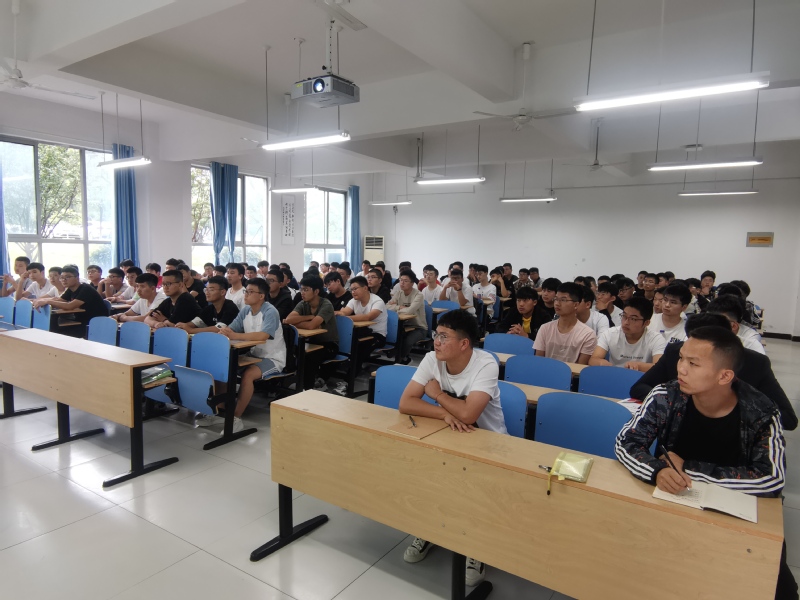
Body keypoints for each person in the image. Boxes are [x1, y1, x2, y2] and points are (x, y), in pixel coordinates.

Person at [615, 326, 797, 599]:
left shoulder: (761, 411)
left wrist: (688, 468)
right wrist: (658, 470)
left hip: (735, 509)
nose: (681, 369)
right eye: (681, 358)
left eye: (693, 363)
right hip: (676, 500)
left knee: (775, 587)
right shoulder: (666, 395)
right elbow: (626, 442)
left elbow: (771, 478)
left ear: (725, 376)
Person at [398, 309, 506, 587]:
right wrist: (445, 414)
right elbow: (406, 403)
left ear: (464, 343)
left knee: (473, 493)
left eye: (444, 337)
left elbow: (469, 415)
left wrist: (436, 394)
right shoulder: (432, 359)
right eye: (436, 334)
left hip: (489, 443)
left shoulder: (485, 364)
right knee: (428, 478)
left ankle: (475, 547)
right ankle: (429, 530)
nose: (436, 341)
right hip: (449, 435)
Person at [197, 278, 285, 433]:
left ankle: (235, 418)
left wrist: (234, 335)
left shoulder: (270, 311)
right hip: (253, 354)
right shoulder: (246, 310)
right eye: (246, 291)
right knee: (222, 369)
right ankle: (219, 412)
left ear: (261, 296)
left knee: (248, 375)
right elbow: (231, 329)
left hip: (272, 357)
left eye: (250, 292)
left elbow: (263, 335)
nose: (246, 295)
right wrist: (225, 332)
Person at [285, 275, 339, 390]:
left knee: (309, 357)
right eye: (301, 289)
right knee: (292, 352)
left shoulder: (326, 304)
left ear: (316, 291)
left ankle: (307, 388)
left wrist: (299, 322)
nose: (302, 293)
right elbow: (288, 320)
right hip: (311, 343)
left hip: (329, 345)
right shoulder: (303, 303)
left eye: (306, 290)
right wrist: (309, 317)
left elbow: (311, 326)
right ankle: (299, 384)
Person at [590, 297, 665, 371]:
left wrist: (638, 366)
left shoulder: (656, 339)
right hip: (614, 374)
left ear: (646, 323)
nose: (626, 322)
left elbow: (659, 368)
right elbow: (593, 359)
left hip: (641, 377)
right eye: (624, 316)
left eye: (633, 319)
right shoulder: (610, 333)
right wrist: (601, 363)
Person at [533, 282, 596, 364]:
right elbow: (538, 361)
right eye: (556, 299)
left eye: (563, 300)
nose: (557, 303)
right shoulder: (545, 328)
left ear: (576, 305)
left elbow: (581, 367)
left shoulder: (587, 334)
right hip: (546, 371)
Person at [32, 265, 109, 333]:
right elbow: (60, 300)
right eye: (62, 277)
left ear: (77, 278)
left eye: (67, 277)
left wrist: (48, 301)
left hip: (94, 323)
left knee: (56, 330)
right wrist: (41, 301)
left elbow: (70, 306)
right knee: (53, 323)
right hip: (81, 320)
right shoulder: (70, 288)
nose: (64, 280)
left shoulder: (85, 289)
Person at [387, 269, 427, 363]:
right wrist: (399, 307)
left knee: (407, 341)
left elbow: (409, 311)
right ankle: (399, 356)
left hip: (419, 328)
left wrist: (395, 308)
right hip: (404, 326)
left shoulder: (418, 295)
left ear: (412, 283)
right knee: (393, 336)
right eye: (401, 280)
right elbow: (386, 307)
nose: (402, 283)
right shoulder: (399, 293)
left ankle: (402, 359)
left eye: (405, 281)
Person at [337, 275, 388, 349]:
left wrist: (346, 318)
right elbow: (344, 312)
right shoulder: (353, 300)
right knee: (344, 340)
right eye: (351, 290)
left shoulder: (377, 301)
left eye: (355, 289)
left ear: (365, 288)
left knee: (359, 347)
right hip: (362, 332)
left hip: (377, 335)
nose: (353, 292)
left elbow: (368, 317)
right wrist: (337, 313)